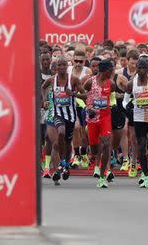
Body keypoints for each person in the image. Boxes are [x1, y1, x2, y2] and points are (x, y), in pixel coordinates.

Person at [122, 56, 148, 189]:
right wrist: (127, 106)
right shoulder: (131, 83)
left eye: (144, 68)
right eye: (139, 68)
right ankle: (145, 176)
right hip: (139, 119)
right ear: (136, 69)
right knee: (141, 146)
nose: (141, 70)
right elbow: (124, 100)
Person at [40, 56, 82, 185]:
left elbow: (85, 94)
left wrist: (74, 94)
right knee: (58, 139)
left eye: (64, 65)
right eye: (59, 65)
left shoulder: (74, 80)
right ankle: (59, 166)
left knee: (68, 143)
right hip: (56, 114)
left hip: (70, 115)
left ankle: (65, 165)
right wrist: (45, 100)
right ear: (56, 67)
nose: (62, 68)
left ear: (67, 66)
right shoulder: (52, 80)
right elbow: (43, 87)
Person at [79, 59, 117, 188]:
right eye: (111, 70)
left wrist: (113, 105)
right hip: (92, 120)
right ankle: (96, 160)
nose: (113, 72)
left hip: (105, 118)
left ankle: (102, 176)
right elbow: (81, 95)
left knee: (106, 144)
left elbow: (111, 98)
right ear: (105, 71)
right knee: (95, 150)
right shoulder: (90, 82)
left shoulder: (111, 83)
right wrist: (87, 108)